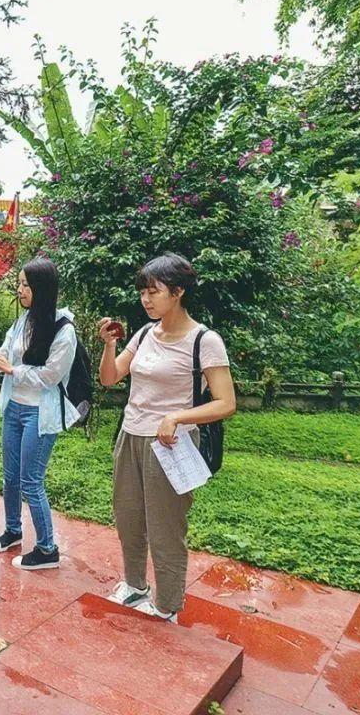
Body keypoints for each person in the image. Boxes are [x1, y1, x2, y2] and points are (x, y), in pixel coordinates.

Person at [98, 253, 236, 623]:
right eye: (143, 292)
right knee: (128, 517)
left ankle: (167, 605)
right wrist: (109, 345)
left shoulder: (204, 340)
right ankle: (135, 585)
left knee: (165, 528)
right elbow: (110, 379)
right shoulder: (145, 334)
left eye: (154, 291)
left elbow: (226, 402)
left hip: (171, 446)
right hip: (130, 437)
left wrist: (176, 416)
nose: (146, 299)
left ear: (177, 292)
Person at [0, 257, 80, 571]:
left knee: (31, 482)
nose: (20, 290)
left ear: (42, 288)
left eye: (26, 285)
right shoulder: (23, 322)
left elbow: (51, 376)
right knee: (11, 477)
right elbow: (0, 358)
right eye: (19, 284)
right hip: (14, 408)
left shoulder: (63, 330)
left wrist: (14, 369)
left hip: (39, 414)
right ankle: (13, 531)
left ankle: (47, 549)